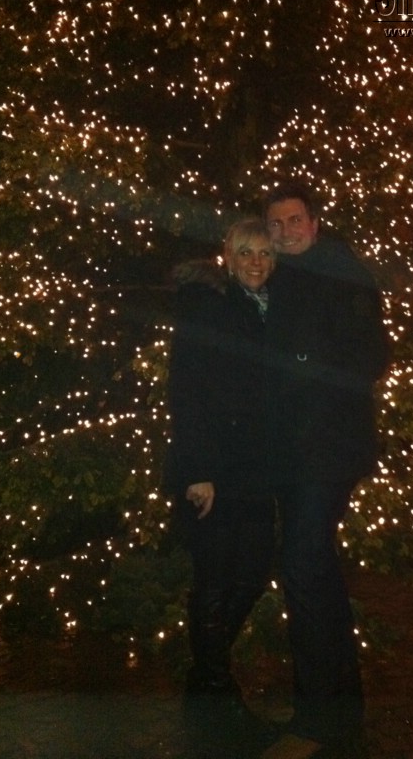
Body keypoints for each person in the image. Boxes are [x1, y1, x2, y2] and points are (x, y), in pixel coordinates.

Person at [260, 181, 392, 759]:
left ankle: (316, 720)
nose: (286, 231)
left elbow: (373, 356)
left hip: (329, 449)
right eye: (276, 224)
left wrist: (308, 370)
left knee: (302, 565)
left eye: (295, 220)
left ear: (313, 224)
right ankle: (339, 704)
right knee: (315, 571)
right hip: (292, 453)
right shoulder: (277, 279)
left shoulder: (341, 272)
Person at [163, 219, 277, 706]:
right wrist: (198, 471)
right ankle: (211, 681)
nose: (256, 262)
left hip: (256, 468)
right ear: (227, 257)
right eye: (246, 252)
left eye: (265, 253)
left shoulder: (271, 309)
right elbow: (186, 392)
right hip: (214, 465)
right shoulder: (209, 306)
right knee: (215, 576)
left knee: (251, 574)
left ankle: (206, 668)